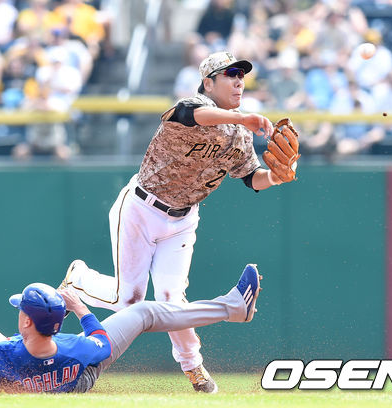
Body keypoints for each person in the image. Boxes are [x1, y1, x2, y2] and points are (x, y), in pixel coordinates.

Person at [58, 51, 292, 393]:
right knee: (129, 300)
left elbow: (250, 176)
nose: (238, 81)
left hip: (183, 219)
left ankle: (193, 367)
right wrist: (243, 118)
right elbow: (190, 115)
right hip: (141, 208)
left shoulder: (240, 135)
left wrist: (274, 177)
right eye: (230, 74)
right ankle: (78, 280)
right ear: (208, 83)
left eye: (241, 75)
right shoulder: (193, 106)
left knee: (171, 298)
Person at [0, 264, 262, 393]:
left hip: (22, 374)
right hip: (80, 373)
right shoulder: (77, 345)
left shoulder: (0, 356)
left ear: (26, 320)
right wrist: (83, 310)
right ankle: (232, 308)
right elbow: (100, 343)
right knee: (146, 312)